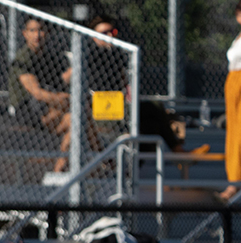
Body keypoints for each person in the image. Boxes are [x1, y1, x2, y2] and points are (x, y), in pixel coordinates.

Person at [85, 15, 210, 157]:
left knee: (152, 127)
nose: (109, 36)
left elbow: (124, 84)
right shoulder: (88, 55)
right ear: (93, 36)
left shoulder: (118, 55)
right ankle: (178, 152)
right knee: (154, 107)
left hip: (120, 106)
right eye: (103, 33)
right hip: (102, 108)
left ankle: (134, 171)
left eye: (112, 32)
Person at [8, 17, 73, 172]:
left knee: (76, 120)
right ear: (24, 34)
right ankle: (103, 157)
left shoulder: (48, 57)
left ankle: (59, 168)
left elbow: (58, 82)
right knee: (78, 111)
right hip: (28, 111)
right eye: (32, 30)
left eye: (41, 30)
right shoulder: (23, 58)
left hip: (49, 108)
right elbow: (37, 93)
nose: (37, 35)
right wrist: (64, 100)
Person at [217, 0, 241, 203]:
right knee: (237, 136)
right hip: (236, 91)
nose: (239, 11)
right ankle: (239, 183)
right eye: (237, 7)